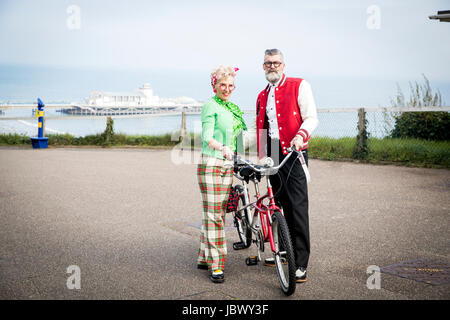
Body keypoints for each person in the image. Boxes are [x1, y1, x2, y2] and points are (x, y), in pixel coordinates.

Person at [256, 49, 318, 283]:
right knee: (277, 203)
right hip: (272, 151)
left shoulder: (299, 85)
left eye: (276, 63)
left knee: (297, 206)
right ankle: (283, 251)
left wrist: (301, 135)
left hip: (294, 150)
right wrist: (262, 157)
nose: (272, 66)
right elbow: (262, 127)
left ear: (284, 65)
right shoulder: (262, 95)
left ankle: (300, 263)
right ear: (263, 66)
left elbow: (312, 117)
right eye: (268, 63)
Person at [197, 65, 247, 283]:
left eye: (230, 85)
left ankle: (203, 257)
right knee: (214, 215)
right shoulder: (210, 106)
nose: (226, 89)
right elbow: (207, 136)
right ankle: (216, 264)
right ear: (214, 85)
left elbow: (237, 137)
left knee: (216, 212)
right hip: (211, 164)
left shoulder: (230, 107)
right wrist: (222, 148)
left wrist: (240, 155)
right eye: (222, 85)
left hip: (227, 165)